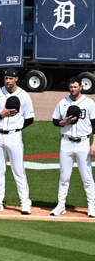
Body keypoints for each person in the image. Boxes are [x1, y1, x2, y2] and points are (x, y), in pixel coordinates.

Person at [0, 69, 35, 214]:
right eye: (6, 78)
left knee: (18, 170)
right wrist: (2, 114)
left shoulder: (24, 96)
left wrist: (17, 127)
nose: (8, 81)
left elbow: (30, 118)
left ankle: (25, 203)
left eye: (10, 78)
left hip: (14, 136)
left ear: (17, 79)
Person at [51, 77, 95, 218]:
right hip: (66, 142)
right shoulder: (63, 103)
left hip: (83, 142)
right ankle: (61, 205)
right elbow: (55, 121)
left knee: (87, 177)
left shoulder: (89, 103)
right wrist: (64, 122)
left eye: (75, 87)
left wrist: (94, 144)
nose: (73, 89)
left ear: (81, 87)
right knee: (64, 176)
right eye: (71, 87)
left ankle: (92, 207)